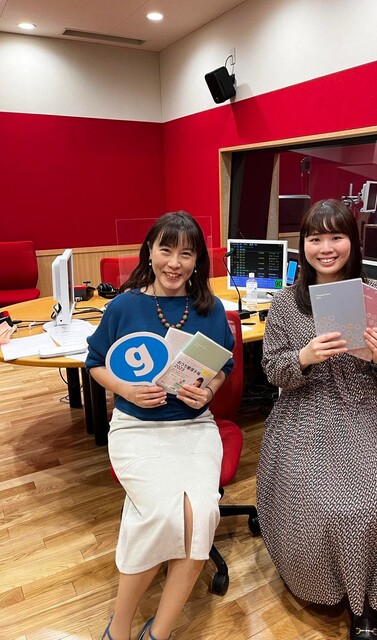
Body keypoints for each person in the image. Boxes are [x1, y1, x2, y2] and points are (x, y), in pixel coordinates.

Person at [256, 199, 377, 640]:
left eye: (336, 237)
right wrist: (304, 357)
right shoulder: (286, 304)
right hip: (306, 411)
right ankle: (348, 599)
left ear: (352, 242)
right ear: (303, 245)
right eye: (315, 238)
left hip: (364, 409)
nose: (326, 248)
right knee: (323, 503)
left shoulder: (375, 295)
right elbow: (272, 370)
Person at [86, 211, 234, 640]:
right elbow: (95, 363)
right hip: (136, 428)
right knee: (162, 514)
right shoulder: (124, 306)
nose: (174, 263)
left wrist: (208, 392)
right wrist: (126, 391)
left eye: (186, 254)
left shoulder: (210, 308)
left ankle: (159, 632)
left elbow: (222, 366)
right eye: (165, 250)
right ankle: (119, 628)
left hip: (194, 427)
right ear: (149, 252)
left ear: (197, 260)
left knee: (202, 514)